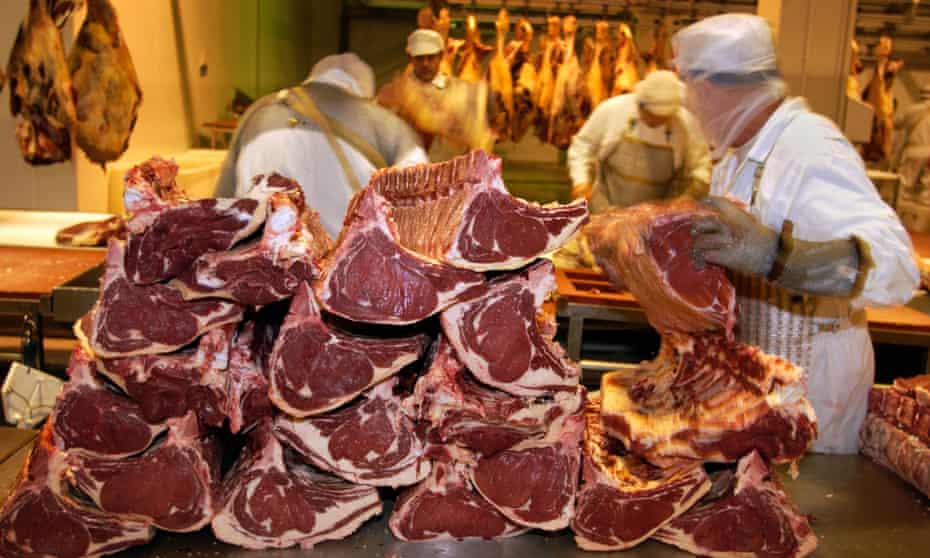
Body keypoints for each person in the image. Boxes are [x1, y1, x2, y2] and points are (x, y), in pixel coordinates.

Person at [675, 14, 919, 454]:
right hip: (760, 391)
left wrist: (776, 256)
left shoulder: (809, 148)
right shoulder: (738, 158)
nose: (691, 106)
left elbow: (896, 264)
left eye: (692, 90)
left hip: (815, 400)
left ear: (715, 87)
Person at [215, 53, 428, 237]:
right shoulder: (386, 125)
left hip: (259, 265)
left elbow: (221, 205)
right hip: (342, 271)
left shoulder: (256, 114)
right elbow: (421, 206)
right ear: (363, 94)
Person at [567, 70, 711, 213]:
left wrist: (689, 196)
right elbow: (582, 146)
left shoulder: (686, 123)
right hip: (604, 208)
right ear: (640, 104)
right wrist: (581, 182)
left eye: (661, 118)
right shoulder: (613, 109)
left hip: (656, 218)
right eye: (650, 115)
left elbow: (701, 166)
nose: (654, 121)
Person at [378, 29, 492, 161]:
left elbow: (477, 140)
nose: (425, 64)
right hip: (405, 172)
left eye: (431, 57)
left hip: (447, 174)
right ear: (410, 58)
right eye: (419, 58)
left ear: (441, 56)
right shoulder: (393, 93)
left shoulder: (460, 91)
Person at [893, 83, 930, 203]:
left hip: (913, 151)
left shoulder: (912, 110)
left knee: (904, 184)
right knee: (925, 185)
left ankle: (899, 208)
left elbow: (895, 123)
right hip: (928, 152)